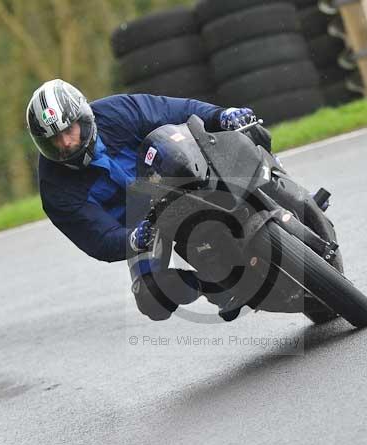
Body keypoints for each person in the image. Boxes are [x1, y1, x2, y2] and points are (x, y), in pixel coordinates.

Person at [26, 79, 257, 321]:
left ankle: (268, 188)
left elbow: (171, 110)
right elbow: (98, 237)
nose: (65, 144)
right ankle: (214, 285)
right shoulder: (54, 188)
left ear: (83, 118)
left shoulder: (116, 112)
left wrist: (220, 116)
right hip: (144, 224)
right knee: (151, 297)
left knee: (245, 140)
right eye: (54, 139)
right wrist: (132, 239)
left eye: (68, 130)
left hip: (178, 177)